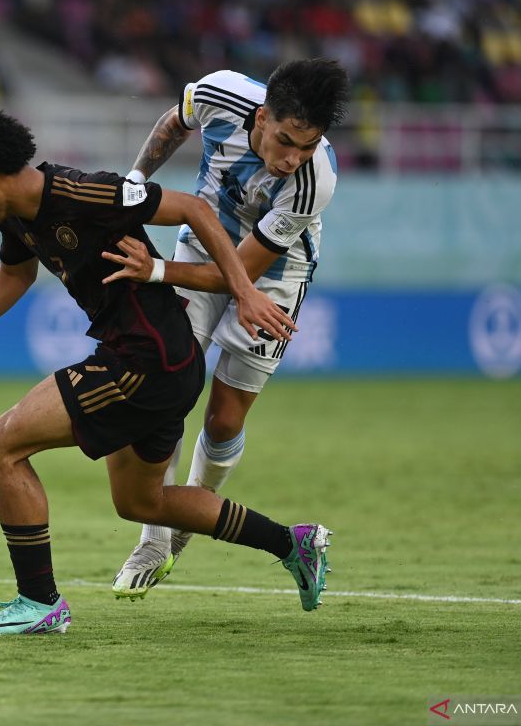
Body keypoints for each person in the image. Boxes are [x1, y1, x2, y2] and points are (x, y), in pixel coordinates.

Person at [0, 105, 329, 635]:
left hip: (144, 360)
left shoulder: (83, 193)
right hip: (163, 361)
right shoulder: (15, 214)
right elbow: (15, 273)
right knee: (140, 502)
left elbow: (192, 210)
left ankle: (39, 603)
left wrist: (244, 291)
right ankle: (293, 544)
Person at [110, 58, 349, 598]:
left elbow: (239, 272)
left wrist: (154, 270)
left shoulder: (317, 180)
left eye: (307, 146)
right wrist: (136, 178)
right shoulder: (220, 94)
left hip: (272, 279)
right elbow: (174, 122)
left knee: (222, 420)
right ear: (262, 116)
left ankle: (191, 512)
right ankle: (155, 537)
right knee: (164, 389)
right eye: (286, 140)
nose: (293, 158)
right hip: (200, 244)